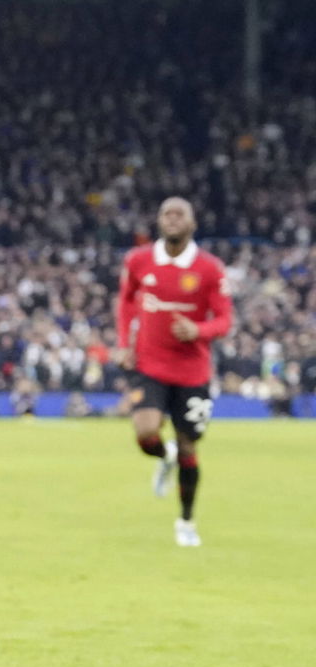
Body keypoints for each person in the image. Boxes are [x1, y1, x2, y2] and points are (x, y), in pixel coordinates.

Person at [114, 198, 234, 547]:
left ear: (193, 223)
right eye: (166, 213)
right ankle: (162, 457)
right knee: (146, 432)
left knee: (189, 447)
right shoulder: (138, 261)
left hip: (192, 371)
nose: (172, 219)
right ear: (158, 220)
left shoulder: (210, 268)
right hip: (150, 364)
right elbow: (125, 302)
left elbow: (225, 319)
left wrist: (199, 331)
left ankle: (185, 521)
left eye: (180, 214)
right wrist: (124, 343)